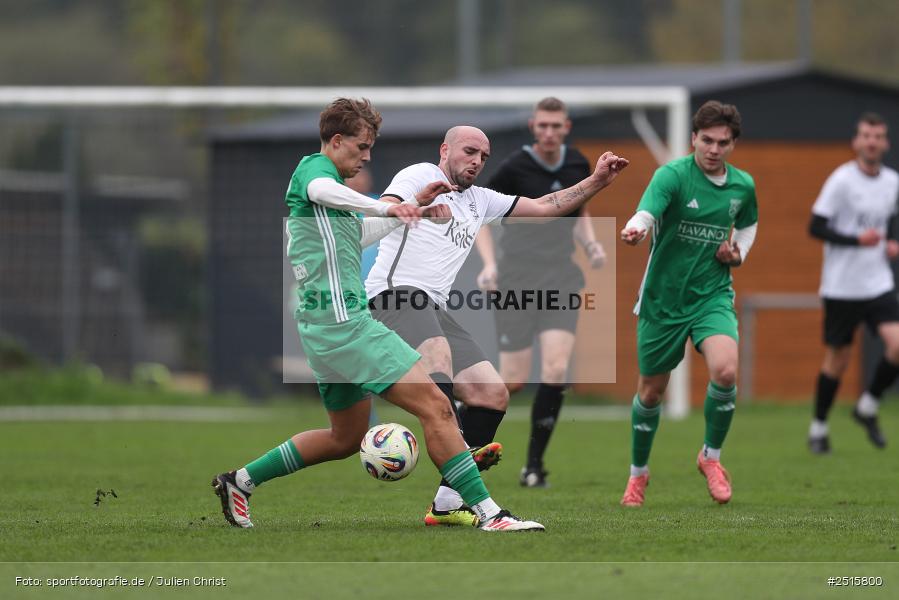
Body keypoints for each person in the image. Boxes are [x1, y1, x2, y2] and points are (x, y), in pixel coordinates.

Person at [212, 97, 545, 532]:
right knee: (437, 406)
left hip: (321, 328)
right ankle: (488, 514)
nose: (367, 156)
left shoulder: (335, 198)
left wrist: (412, 213)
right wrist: (387, 205)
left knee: (344, 438)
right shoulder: (315, 170)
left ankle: (240, 481)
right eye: (362, 146)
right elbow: (323, 191)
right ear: (336, 140)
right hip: (347, 326)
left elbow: (360, 233)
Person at [365, 124, 628, 526]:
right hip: (394, 294)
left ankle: (448, 502)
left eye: (483, 156)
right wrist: (416, 205)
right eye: (469, 151)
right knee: (440, 371)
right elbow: (382, 210)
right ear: (445, 150)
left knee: (492, 394)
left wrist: (596, 181)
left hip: (433, 307)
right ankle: (482, 499)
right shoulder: (418, 175)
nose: (477, 161)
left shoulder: (480, 201)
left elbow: (545, 208)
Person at [618, 100, 758, 507]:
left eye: (723, 143)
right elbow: (648, 210)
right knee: (650, 394)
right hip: (663, 299)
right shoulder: (673, 176)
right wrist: (636, 228)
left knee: (726, 370)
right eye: (707, 140)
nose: (714, 149)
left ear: (732, 144)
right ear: (693, 138)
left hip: (712, 294)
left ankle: (710, 458)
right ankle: (638, 476)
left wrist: (739, 254)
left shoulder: (742, 186)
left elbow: (748, 224)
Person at [474, 97, 607, 489]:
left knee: (554, 370)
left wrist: (591, 244)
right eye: (543, 125)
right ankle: (465, 428)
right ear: (533, 126)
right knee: (511, 380)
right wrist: (490, 264)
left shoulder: (579, 163)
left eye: (556, 126)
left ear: (566, 127)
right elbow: (481, 214)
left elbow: (577, 207)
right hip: (516, 278)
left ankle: (534, 467)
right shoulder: (514, 167)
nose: (549, 132)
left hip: (562, 279)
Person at [807, 112, 899, 454]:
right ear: (857, 142)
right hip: (842, 285)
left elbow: (889, 221)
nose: (872, 141)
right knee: (837, 361)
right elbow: (815, 226)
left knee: (897, 345)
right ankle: (818, 428)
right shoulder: (842, 180)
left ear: (885, 143)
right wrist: (855, 240)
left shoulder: (892, 181)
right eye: (866, 135)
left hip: (877, 282)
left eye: (878, 136)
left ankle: (867, 407)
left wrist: (891, 242)